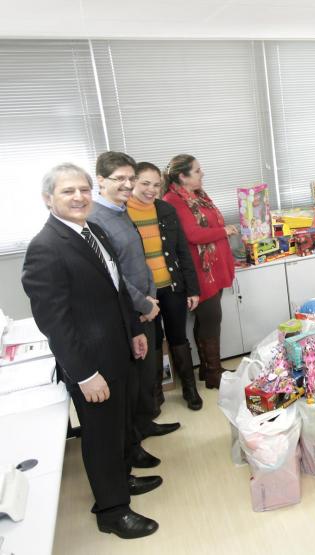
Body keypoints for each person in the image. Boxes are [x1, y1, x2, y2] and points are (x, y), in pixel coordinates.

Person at [21, 163, 161, 539]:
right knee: (100, 437)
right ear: (48, 199)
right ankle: (112, 511)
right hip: (92, 365)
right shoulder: (45, 249)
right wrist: (83, 374)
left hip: (119, 350)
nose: (79, 196)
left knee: (117, 429)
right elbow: (55, 323)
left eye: (83, 189)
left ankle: (119, 481)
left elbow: (116, 290)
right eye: (68, 191)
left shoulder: (92, 230)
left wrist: (134, 331)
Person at [89, 152, 180, 448]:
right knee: (130, 384)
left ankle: (144, 424)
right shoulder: (94, 218)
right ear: (101, 181)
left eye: (131, 178)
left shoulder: (120, 209)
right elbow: (112, 274)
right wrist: (143, 303)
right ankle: (133, 443)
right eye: (120, 179)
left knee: (144, 377)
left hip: (144, 307)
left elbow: (139, 261)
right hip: (129, 312)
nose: (128, 185)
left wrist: (151, 298)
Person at [128, 162, 203, 410]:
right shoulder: (122, 214)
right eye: (145, 184)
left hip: (172, 287)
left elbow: (182, 251)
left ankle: (189, 389)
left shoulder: (166, 210)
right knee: (154, 342)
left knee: (178, 337)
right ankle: (156, 393)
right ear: (132, 182)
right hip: (143, 294)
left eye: (157, 185)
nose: (151, 190)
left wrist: (192, 289)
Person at [163, 154, 238, 389]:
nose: (202, 173)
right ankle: (214, 372)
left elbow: (211, 223)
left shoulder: (198, 195)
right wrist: (224, 231)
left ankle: (207, 369)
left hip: (215, 266)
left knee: (207, 319)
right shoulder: (173, 200)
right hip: (200, 271)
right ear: (182, 176)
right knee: (211, 318)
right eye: (196, 171)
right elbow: (192, 235)